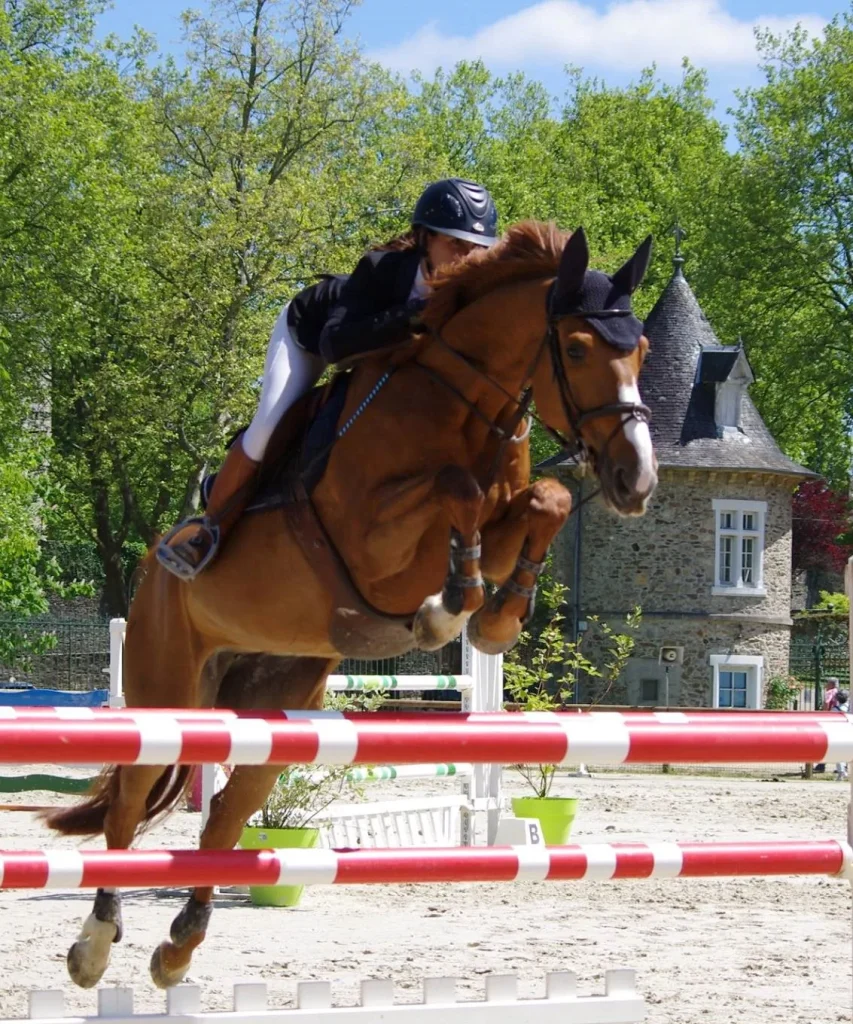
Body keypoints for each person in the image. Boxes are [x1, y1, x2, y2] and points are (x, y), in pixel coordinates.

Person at [156, 177, 499, 581]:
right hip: (311, 336)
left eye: (475, 250)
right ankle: (209, 529)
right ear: (424, 238)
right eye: (454, 245)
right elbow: (335, 346)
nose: (464, 259)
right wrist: (416, 314)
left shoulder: (475, 292)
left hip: (380, 360)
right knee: (270, 425)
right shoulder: (381, 269)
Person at [833, 688, 849, 781]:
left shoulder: (835, 709)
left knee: (839, 753)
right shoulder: (849, 708)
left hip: (840, 733)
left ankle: (841, 772)